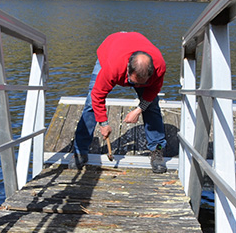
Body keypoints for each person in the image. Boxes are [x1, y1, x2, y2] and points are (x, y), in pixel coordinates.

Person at [72, 31, 168, 173]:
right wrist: (103, 123)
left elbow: (152, 92)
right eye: (132, 82)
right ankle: (80, 150)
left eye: (142, 83)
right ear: (128, 69)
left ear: (151, 72)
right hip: (111, 48)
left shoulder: (159, 68)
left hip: (133, 48)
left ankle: (157, 150)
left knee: (152, 107)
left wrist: (139, 109)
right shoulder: (113, 67)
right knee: (90, 104)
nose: (136, 86)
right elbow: (97, 95)